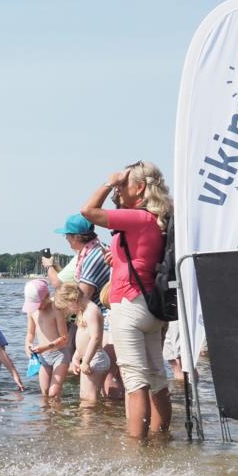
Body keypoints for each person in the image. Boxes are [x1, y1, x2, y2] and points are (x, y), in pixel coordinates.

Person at [82, 161, 173, 438]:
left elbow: (88, 212)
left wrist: (109, 181)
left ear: (141, 188)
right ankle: (160, 441)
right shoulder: (157, 219)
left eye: (125, 185)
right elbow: (141, 260)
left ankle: (137, 452)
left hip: (129, 305)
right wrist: (117, 261)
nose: (119, 191)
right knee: (157, 377)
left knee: (135, 382)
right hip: (150, 308)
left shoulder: (140, 217)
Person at [42, 213, 122, 397]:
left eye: (67, 236)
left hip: (105, 319)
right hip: (103, 318)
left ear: (77, 237)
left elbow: (83, 295)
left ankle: (110, 415)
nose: (67, 240)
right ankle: (110, 418)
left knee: (110, 376)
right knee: (108, 375)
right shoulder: (92, 250)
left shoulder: (92, 257)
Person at [53, 282, 109, 402]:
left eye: (67, 308)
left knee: (89, 399)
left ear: (73, 299)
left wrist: (86, 362)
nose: (67, 311)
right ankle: (89, 420)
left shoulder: (91, 311)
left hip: (95, 358)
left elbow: (95, 338)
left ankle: (89, 420)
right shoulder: (83, 311)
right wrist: (76, 356)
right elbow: (84, 337)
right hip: (88, 357)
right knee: (84, 397)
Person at [22, 278, 69, 398]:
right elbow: (30, 333)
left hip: (60, 354)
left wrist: (46, 347)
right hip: (43, 357)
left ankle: (57, 413)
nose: (37, 307)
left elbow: (64, 338)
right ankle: (46, 416)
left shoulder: (56, 309)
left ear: (47, 296)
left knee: (54, 393)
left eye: (39, 304)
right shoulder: (32, 311)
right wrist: (28, 345)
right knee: (45, 392)